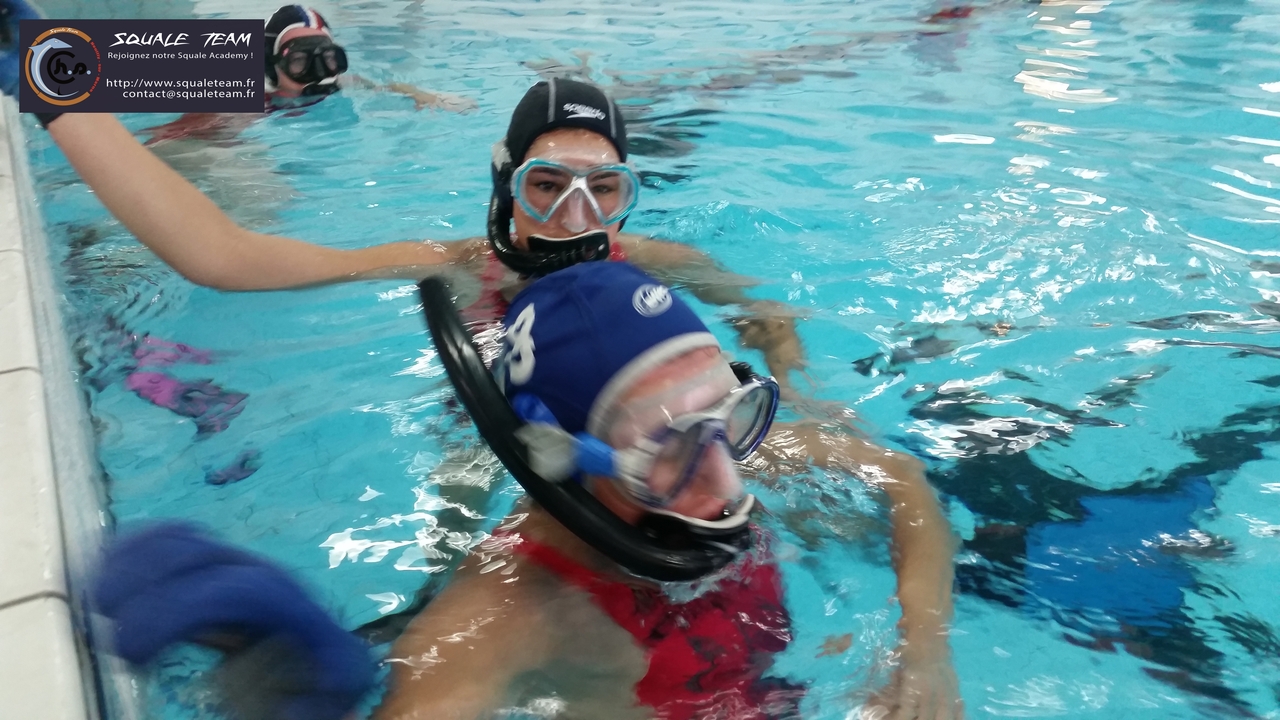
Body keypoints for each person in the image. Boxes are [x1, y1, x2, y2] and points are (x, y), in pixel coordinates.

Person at [94, 262, 963, 720]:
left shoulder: (719, 457)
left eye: (731, 416)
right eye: (670, 443)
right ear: (567, 456)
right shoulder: (509, 609)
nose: (725, 479)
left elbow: (903, 482)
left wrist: (921, 647)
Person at [0, 10, 808, 393]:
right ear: (506, 187)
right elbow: (229, 259)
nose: (576, 218)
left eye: (604, 190)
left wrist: (797, 386)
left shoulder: (661, 264)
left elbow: (770, 315)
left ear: (630, 196)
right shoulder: (453, 266)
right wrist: (58, 90)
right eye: (546, 185)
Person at [138, 5, 477, 147]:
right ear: (273, 67)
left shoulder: (338, 83)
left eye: (328, 60)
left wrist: (422, 94)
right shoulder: (253, 103)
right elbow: (166, 138)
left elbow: (385, 86)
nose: (318, 74)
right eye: (301, 63)